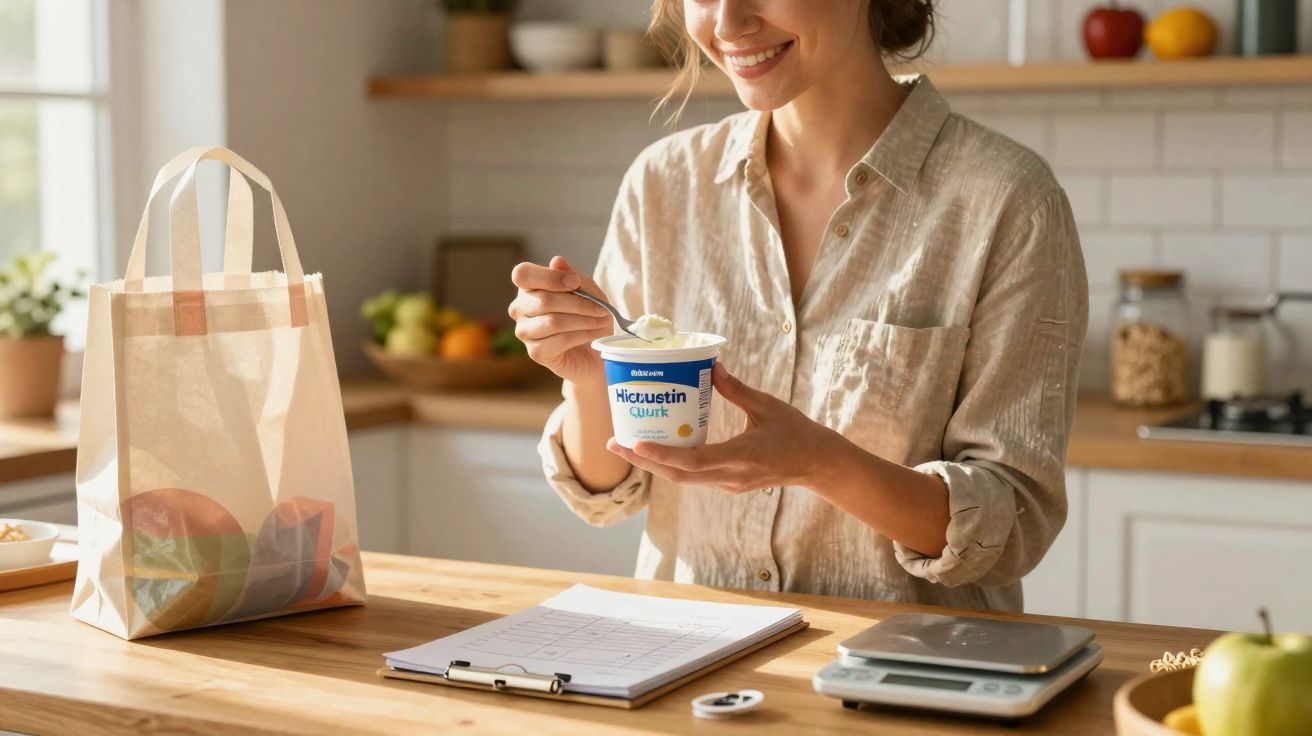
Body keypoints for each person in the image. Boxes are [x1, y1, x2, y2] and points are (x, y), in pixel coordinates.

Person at [507, 0, 1087, 612]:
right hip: (683, 664)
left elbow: (1012, 525)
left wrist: (822, 464)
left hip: (905, 678)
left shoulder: (1007, 199)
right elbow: (605, 493)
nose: (728, 24)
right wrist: (593, 380)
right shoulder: (663, 184)